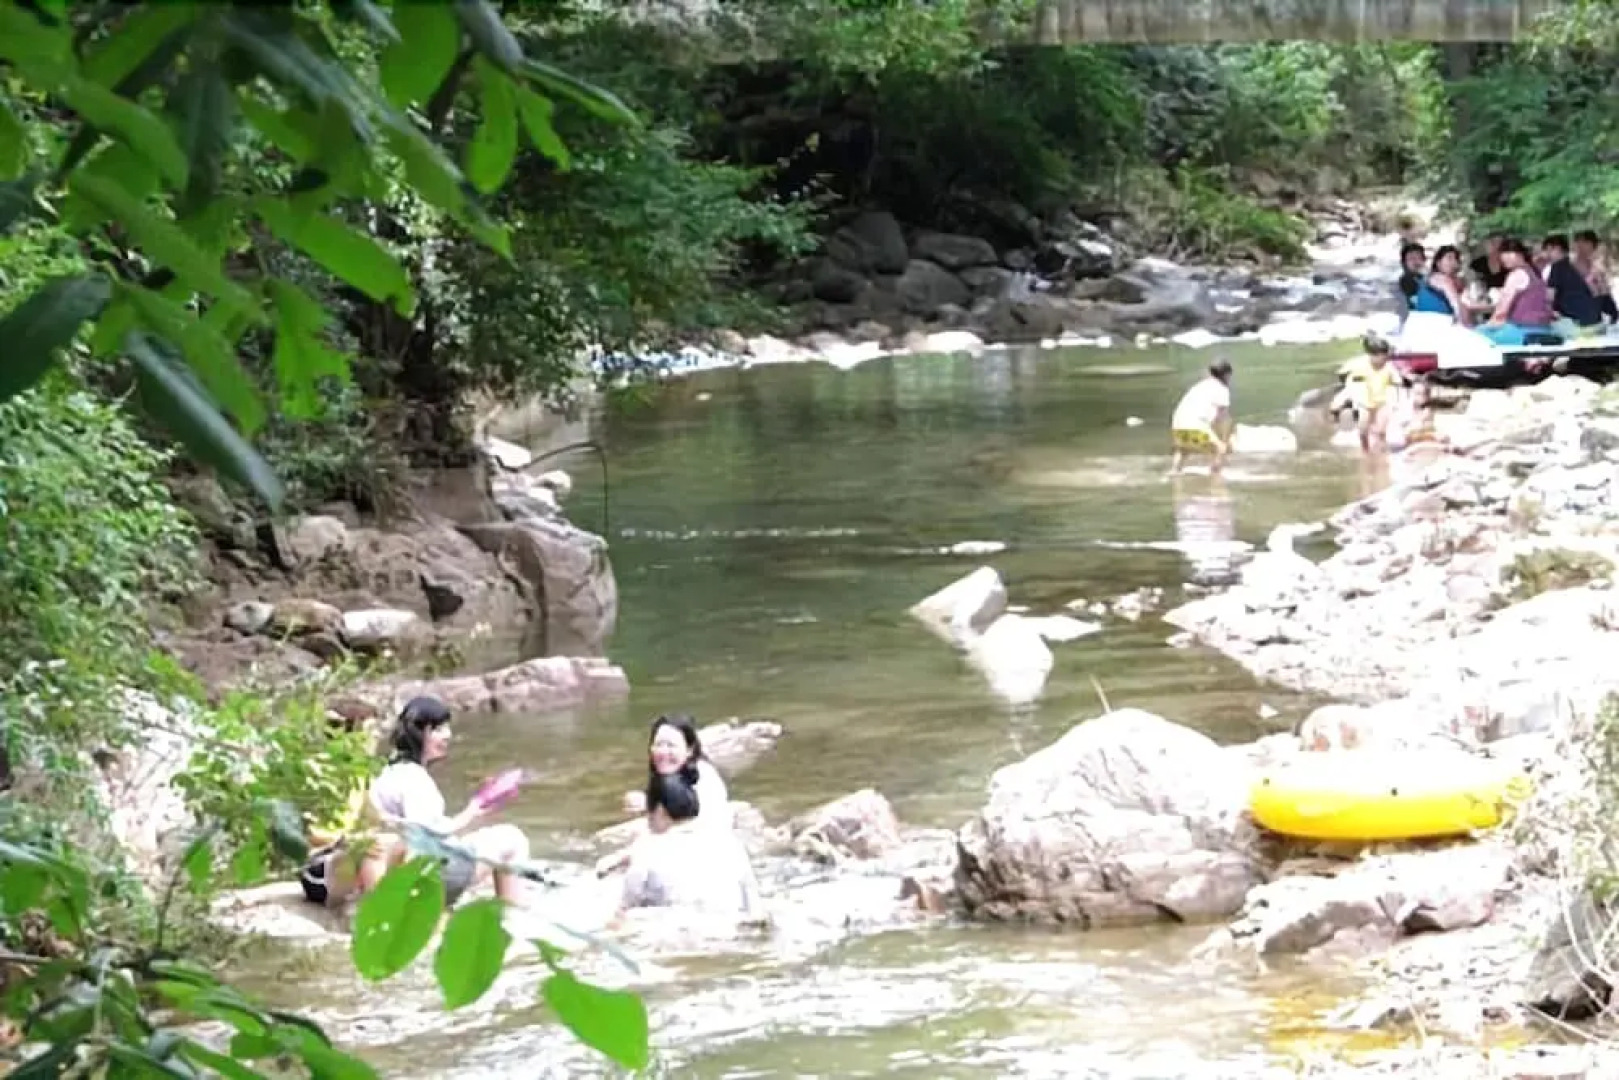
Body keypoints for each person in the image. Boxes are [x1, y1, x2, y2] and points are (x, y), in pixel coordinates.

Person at [300, 696, 533, 909]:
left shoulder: (379, 771)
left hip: (375, 867)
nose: (448, 735)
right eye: (439, 729)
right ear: (421, 733)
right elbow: (429, 837)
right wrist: (475, 808)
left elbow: (392, 825)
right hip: (419, 874)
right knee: (512, 839)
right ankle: (513, 916)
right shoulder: (411, 778)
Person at [613, 773, 760, 923]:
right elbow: (754, 905)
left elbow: (628, 901)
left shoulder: (648, 848)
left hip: (678, 932)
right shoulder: (730, 843)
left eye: (648, 811)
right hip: (730, 927)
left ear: (659, 810)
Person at [1477, 238, 1557, 346]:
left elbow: (1501, 312)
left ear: (1520, 254)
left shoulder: (1516, 275)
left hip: (1522, 330)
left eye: (1509, 253)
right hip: (1544, 328)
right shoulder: (1536, 273)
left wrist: (1487, 326)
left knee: (1475, 335)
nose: (1505, 258)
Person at [1169, 359, 1234, 476]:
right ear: (1227, 375)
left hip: (1177, 425)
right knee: (1220, 450)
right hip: (1196, 425)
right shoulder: (1222, 389)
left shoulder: (1200, 385)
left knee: (1183, 450)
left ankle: (1174, 474)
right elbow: (1223, 418)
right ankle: (1216, 480)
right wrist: (1224, 441)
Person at [1339, 333, 1399, 453]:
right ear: (1371, 355)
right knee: (1363, 427)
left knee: (1381, 429)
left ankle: (1381, 448)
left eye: (1385, 357)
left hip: (1382, 401)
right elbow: (1342, 373)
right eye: (1381, 357)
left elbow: (1398, 381)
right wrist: (1349, 385)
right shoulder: (1359, 364)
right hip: (1364, 402)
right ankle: (1365, 449)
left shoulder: (1388, 367)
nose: (1383, 360)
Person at [1541, 234, 1604, 331]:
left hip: (1573, 322)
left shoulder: (1557, 267)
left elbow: (1549, 297)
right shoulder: (1583, 265)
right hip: (1595, 320)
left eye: (1548, 250)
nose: (1546, 255)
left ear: (1557, 248)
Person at [1573, 230, 1617, 322]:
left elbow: (1604, 295)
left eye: (1585, 242)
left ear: (1592, 245)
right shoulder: (1565, 267)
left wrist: (1613, 313)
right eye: (1577, 242)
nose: (1580, 246)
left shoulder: (1596, 269)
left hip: (1593, 314)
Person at [1420, 245, 1470, 325]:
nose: (1454, 262)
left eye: (1455, 259)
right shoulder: (1441, 279)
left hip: (1429, 321)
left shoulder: (1451, 281)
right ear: (1438, 263)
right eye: (1449, 258)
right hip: (1438, 323)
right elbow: (1456, 304)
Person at [1395, 242, 1426, 318]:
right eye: (1411, 258)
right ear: (1404, 262)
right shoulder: (1406, 280)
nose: (1416, 262)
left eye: (1419, 258)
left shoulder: (1423, 278)